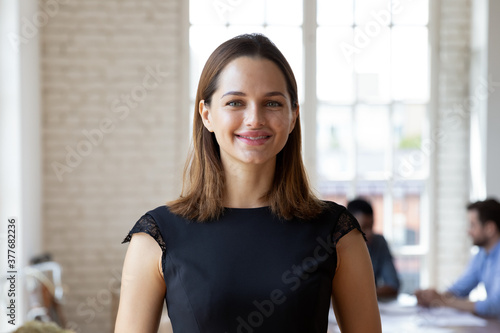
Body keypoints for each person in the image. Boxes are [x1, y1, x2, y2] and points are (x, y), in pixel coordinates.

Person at [114, 33, 381, 333]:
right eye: (235, 102)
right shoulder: (156, 237)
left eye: (272, 103)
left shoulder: (337, 234)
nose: (254, 119)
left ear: (293, 116)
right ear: (207, 115)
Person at [415, 198, 500, 318]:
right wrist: (433, 298)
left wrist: (444, 302)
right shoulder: (482, 254)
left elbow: (496, 306)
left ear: (490, 228)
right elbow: (460, 289)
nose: (468, 232)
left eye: (472, 225)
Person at [347, 198, 400, 299]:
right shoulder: (333, 246)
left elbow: (393, 285)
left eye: (371, 226)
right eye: (363, 227)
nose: (369, 233)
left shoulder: (379, 242)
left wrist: (358, 296)